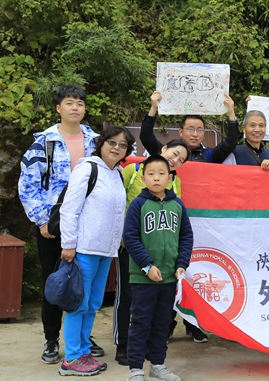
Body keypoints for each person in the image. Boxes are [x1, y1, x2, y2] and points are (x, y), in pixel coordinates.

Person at [18, 85, 103, 365]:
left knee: (85, 283)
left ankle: (82, 338)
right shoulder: (45, 142)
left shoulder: (96, 141)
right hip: (53, 223)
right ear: (58, 108)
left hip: (89, 223)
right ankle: (52, 339)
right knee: (55, 282)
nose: (75, 108)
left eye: (79, 103)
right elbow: (28, 183)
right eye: (69, 103)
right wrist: (41, 219)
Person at [58, 126, 135, 376]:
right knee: (78, 304)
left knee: (92, 304)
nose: (116, 148)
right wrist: (69, 244)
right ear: (101, 144)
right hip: (83, 248)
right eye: (112, 142)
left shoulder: (117, 174)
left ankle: (83, 352)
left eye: (122, 145)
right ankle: (71, 358)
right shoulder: (87, 169)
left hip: (105, 251)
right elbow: (69, 209)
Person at [114, 140, 195, 366]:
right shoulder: (137, 205)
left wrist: (182, 263)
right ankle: (135, 368)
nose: (157, 178)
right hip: (142, 275)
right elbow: (130, 237)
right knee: (140, 321)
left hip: (168, 275)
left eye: (162, 174)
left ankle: (158, 365)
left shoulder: (177, 205)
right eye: (151, 174)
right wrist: (147, 265)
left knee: (162, 323)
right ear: (144, 176)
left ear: (171, 177)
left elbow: (186, 235)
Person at [141, 91, 238, 163]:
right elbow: (146, 137)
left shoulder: (210, 155)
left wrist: (231, 114)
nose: (195, 134)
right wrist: (153, 108)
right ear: (181, 132)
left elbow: (230, 142)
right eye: (190, 129)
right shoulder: (167, 152)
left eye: (199, 130)